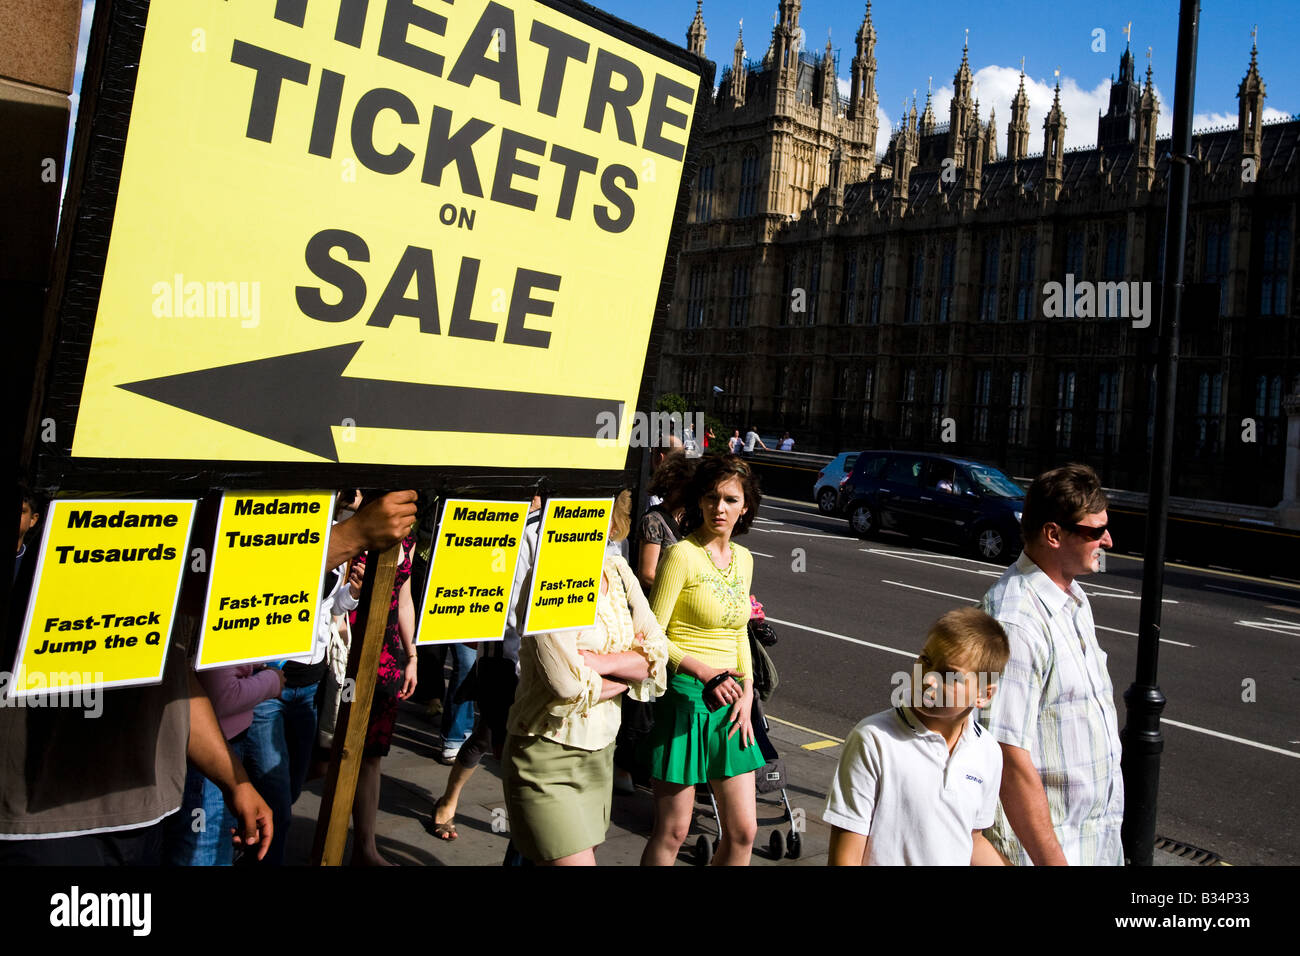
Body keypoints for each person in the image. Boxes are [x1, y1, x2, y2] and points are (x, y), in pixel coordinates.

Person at [0, 489, 416, 865]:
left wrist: (235, 780)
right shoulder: (90, 525)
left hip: (148, 813)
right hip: (50, 825)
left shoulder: (169, 545)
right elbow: (220, 596)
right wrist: (348, 538)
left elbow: (176, 678)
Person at [502, 494, 668, 865]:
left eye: (599, 515)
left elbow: (658, 653)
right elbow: (565, 684)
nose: (587, 525)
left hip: (601, 753)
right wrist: (626, 673)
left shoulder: (620, 572)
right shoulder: (548, 577)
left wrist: (596, 662)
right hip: (545, 751)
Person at [979, 463, 1124, 866]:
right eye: (1095, 531)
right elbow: (1007, 754)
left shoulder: (1073, 600)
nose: (1107, 540)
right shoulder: (1016, 620)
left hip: (1092, 844)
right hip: (1047, 853)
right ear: (1053, 534)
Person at [641, 455, 763, 866]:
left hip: (732, 703)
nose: (719, 508)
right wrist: (705, 671)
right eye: (712, 498)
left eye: (730, 499)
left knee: (744, 832)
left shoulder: (744, 560)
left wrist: (747, 694)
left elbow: (738, 632)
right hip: (686, 697)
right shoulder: (681, 555)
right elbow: (652, 638)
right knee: (674, 831)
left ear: (745, 506)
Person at [825, 608, 1010, 865]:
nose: (929, 678)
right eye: (926, 660)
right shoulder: (874, 739)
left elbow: (972, 838)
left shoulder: (988, 752)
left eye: (949, 675)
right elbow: (847, 855)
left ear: (984, 695)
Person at [430, 496, 543, 841]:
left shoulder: (573, 527)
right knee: (490, 735)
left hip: (553, 652)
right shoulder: (515, 528)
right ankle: (449, 801)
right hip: (507, 651)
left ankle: (524, 818)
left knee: (527, 741)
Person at [165, 662, 286, 865]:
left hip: (220, 747)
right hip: (207, 756)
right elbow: (219, 696)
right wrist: (273, 681)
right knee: (204, 851)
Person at [352, 532, 419, 865]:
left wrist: (412, 656)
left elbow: (404, 600)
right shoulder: (350, 533)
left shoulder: (407, 541)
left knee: (372, 756)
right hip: (348, 649)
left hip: (388, 656)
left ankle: (365, 848)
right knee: (325, 751)